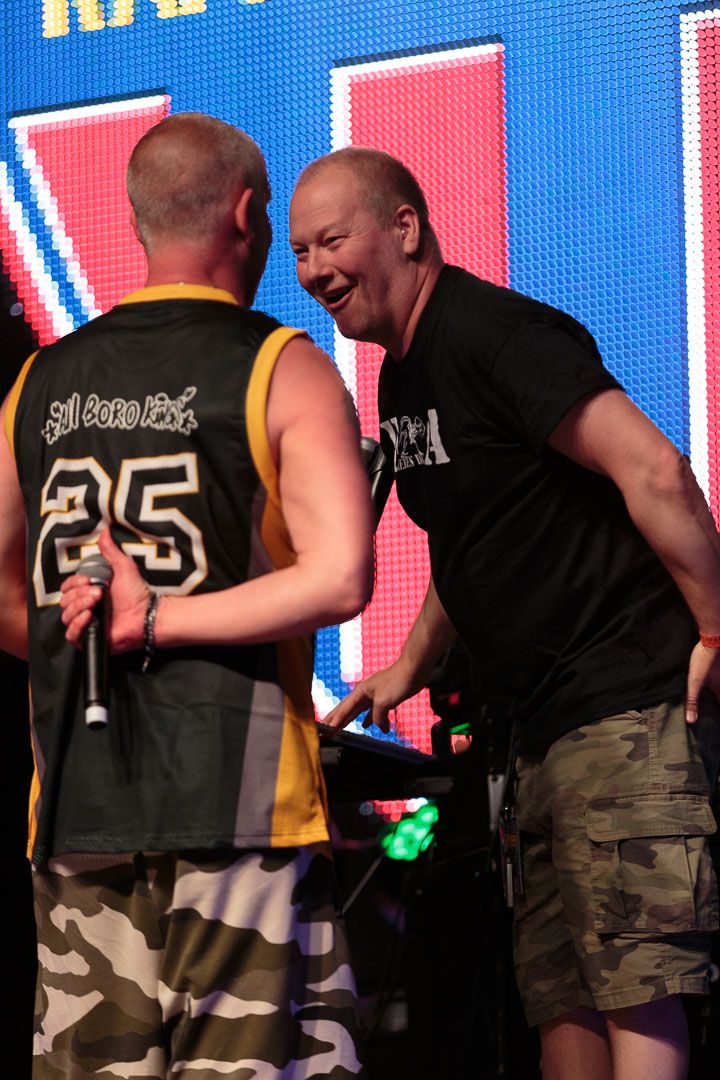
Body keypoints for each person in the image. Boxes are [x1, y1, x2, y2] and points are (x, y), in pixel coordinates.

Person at [288, 146, 720, 1080]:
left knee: (636, 989)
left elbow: (655, 469)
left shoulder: (496, 334)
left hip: (621, 703)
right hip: (538, 733)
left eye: (331, 240)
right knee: (561, 1001)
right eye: (300, 252)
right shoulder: (401, 375)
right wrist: (408, 665)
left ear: (405, 227)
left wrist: (716, 626)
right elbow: (473, 538)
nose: (314, 269)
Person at [0, 114, 374, 1078]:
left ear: (138, 221)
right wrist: (157, 620)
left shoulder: (39, 382)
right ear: (246, 216)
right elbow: (341, 575)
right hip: (238, 815)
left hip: (78, 809)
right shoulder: (282, 363)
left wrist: (85, 634)